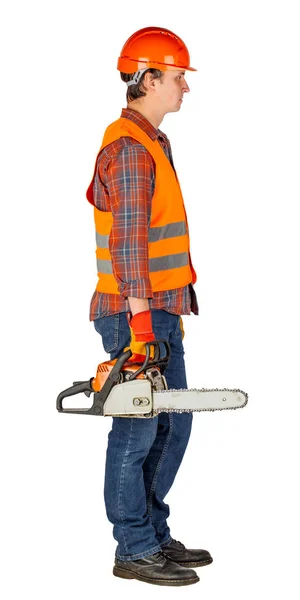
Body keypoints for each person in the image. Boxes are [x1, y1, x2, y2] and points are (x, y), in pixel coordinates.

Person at [86, 26, 212, 586]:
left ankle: (151, 533)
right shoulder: (131, 150)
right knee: (137, 433)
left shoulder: (152, 143)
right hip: (136, 312)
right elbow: (129, 247)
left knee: (173, 425)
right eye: (179, 78)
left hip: (160, 310)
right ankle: (133, 548)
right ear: (149, 78)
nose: (185, 88)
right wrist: (140, 327)